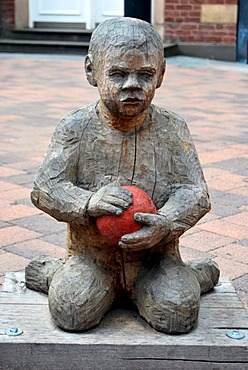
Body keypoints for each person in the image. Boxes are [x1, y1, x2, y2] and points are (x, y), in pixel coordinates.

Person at [30, 17, 219, 334]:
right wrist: (89, 201)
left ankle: (192, 276)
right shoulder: (75, 127)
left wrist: (167, 222)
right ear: (92, 71)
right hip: (92, 257)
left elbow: (194, 192)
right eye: (118, 74)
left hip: (155, 260)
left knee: (177, 314)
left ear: (160, 75)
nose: (132, 84)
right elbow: (45, 188)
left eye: (145, 75)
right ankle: (55, 274)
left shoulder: (171, 129)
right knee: (71, 311)